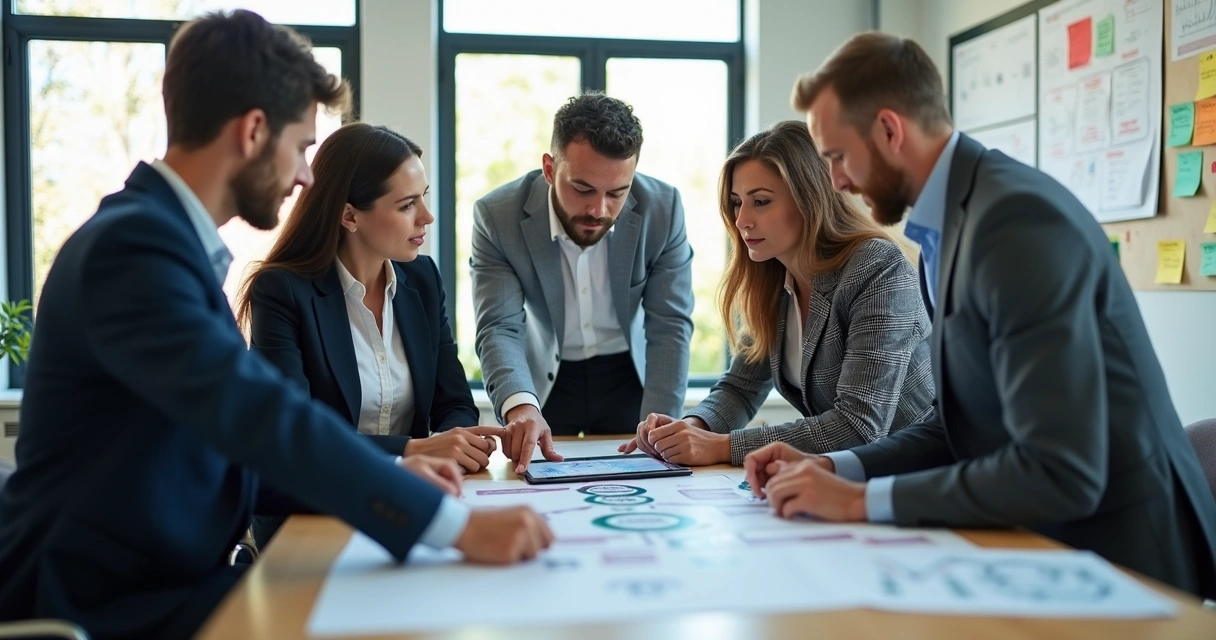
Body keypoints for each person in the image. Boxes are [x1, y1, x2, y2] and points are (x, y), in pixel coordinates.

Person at [0, 12, 551, 640]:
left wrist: (396, 473)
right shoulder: (134, 248)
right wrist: (454, 526)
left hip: (169, 578)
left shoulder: (160, 238)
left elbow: (229, 447)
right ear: (253, 131)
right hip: (102, 601)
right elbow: (260, 416)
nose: (305, 176)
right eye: (302, 147)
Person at [745, 31, 1216, 598]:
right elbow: (955, 424)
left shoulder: (1015, 221)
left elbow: (1059, 469)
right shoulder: (943, 229)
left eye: (838, 157)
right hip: (1044, 548)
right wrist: (841, 468)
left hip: (1125, 560)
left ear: (890, 130)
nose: (837, 182)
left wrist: (862, 501)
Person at [236, 122, 504, 547]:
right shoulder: (283, 291)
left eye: (425, 198)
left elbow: (452, 401)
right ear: (349, 215)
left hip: (406, 504)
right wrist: (412, 450)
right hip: (312, 517)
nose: (427, 217)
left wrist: (457, 443)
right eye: (406, 205)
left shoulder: (423, 278)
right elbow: (295, 438)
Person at [619, 121, 934, 467]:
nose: (741, 221)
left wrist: (721, 446)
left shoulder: (877, 268)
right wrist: (688, 430)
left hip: (919, 473)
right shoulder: (772, 278)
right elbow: (741, 389)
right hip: (846, 480)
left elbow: (859, 426)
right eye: (737, 203)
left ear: (810, 198)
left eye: (761, 201)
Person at [471, 92, 694, 473]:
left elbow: (670, 324)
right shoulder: (497, 216)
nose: (599, 209)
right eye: (583, 188)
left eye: (617, 193)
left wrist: (661, 424)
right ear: (548, 168)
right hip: (545, 382)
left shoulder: (664, 208)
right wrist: (521, 405)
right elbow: (499, 326)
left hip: (631, 378)